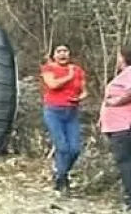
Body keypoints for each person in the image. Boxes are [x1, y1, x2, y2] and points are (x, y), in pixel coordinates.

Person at [99, 46, 131, 212]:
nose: (117, 60)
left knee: (125, 161)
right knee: (127, 161)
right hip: (121, 125)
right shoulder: (127, 73)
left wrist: (116, 102)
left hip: (127, 125)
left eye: (119, 56)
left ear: (125, 57)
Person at [40, 44, 87, 193]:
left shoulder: (78, 70)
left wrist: (80, 97)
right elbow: (52, 84)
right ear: (54, 55)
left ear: (69, 54)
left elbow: (85, 91)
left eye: (65, 51)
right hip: (53, 111)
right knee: (62, 147)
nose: (62, 54)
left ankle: (61, 175)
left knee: (75, 149)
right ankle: (62, 180)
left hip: (71, 112)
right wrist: (69, 76)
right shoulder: (49, 68)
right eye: (59, 51)